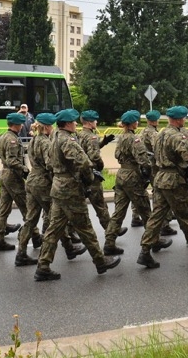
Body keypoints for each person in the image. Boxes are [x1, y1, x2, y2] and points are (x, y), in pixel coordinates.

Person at [33, 109, 120, 281]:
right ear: (67, 124)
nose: (76, 124)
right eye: (74, 122)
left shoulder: (54, 135)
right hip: (70, 190)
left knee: (53, 229)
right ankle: (100, 261)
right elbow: (85, 164)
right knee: (85, 227)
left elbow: (49, 163)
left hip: (58, 187)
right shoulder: (68, 140)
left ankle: (43, 266)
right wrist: (88, 180)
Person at [136, 106, 188, 269]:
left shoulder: (159, 135)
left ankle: (144, 252)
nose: (185, 120)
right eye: (184, 118)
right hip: (174, 181)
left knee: (156, 217)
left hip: (160, 178)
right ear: (179, 119)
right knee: (186, 215)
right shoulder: (178, 137)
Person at [15, 113, 63, 266]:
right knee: (54, 217)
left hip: (32, 181)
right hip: (43, 182)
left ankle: (21, 252)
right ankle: (47, 255)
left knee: (30, 219)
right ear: (47, 127)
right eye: (52, 126)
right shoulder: (46, 143)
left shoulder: (34, 140)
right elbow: (50, 164)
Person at [104, 110, 152, 256]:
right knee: (146, 210)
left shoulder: (121, 137)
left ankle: (109, 242)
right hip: (133, 176)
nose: (138, 123)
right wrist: (147, 174)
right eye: (137, 121)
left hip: (121, 175)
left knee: (118, 211)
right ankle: (153, 240)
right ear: (133, 123)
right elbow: (144, 160)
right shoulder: (134, 139)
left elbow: (117, 155)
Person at [0, 112, 32, 252]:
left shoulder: (3, 137)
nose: (22, 126)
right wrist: (25, 170)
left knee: (3, 209)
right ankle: (34, 235)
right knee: (26, 207)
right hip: (13, 176)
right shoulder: (12, 140)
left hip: (4, 175)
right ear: (16, 125)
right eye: (21, 123)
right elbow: (12, 160)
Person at [77, 110, 112, 233]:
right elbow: (94, 156)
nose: (96, 122)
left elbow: (84, 152)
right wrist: (100, 165)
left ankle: (71, 231)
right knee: (100, 204)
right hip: (92, 174)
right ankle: (110, 229)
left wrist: (102, 143)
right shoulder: (92, 137)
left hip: (80, 173)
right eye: (95, 120)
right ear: (89, 123)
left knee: (77, 206)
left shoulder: (79, 134)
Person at [135, 110, 161, 228]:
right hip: (153, 165)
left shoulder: (143, 131)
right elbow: (157, 148)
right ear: (155, 121)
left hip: (143, 163)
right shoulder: (153, 133)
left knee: (140, 189)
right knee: (157, 190)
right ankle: (160, 217)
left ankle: (135, 216)